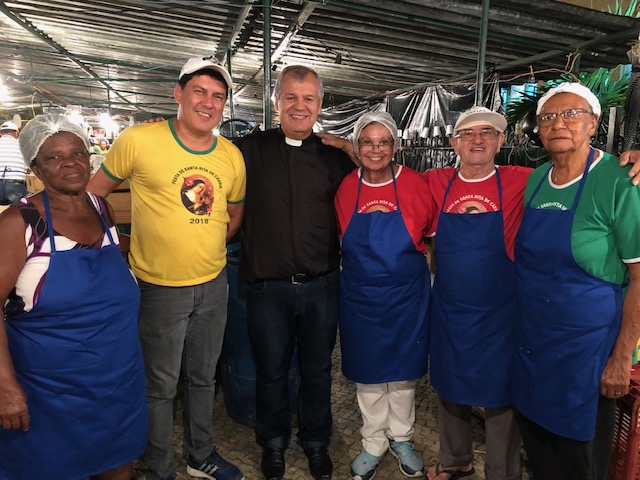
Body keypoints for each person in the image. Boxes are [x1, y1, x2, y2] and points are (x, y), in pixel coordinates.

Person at [87, 56, 246, 480]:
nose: (208, 103)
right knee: (158, 386)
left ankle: (201, 456)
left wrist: (203, 245)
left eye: (218, 96)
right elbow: (92, 195)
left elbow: (234, 215)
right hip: (157, 288)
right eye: (199, 91)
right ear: (178, 93)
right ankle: (158, 467)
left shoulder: (231, 155)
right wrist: (118, 243)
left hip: (213, 283)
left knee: (203, 378)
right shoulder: (139, 140)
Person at [0, 113, 147, 480]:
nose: (70, 162)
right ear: (34, 165)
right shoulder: (20, 224)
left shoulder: (103, 210)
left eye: (78, 153)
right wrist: (4, 385)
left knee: (118, 467)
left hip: (117, 386)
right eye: (53, 156)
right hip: (48, 396)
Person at [512, 82, 640, 480]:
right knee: (536, 441)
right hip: (534, 339)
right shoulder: (536, 180)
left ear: (594, 123)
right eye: (548, 116)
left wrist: (621, 358)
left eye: (572, 114)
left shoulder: (620, 181)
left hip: (587, 348)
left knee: (579, 455)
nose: (558, 123)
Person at [234, 65, 354, 480]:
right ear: (276, 102)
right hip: (267, 288)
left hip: (322, 285)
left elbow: (378, 174)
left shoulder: (337, 157)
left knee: (319, 370)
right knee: (271, 370)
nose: (299, 106)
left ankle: (317, 440)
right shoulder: (247, 150)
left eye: (308, 98)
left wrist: (353, 146)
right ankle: (273, 442)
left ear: (320, 103)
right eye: (291, 97)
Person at [423, 107, 529, 480]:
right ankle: (455, 460)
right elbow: (382, 169)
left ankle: (502, 473)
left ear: (501, 141)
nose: (478, 140)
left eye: (488, 132)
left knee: (502, 394)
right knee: (450, 386)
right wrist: (346, 145)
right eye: (468, 134)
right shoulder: (435, 181)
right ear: (454, 143)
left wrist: (629, 156)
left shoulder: (523, 180)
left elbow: (575, 170)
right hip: (451, 308)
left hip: (501, 312)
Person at [334, 111, 434, 480]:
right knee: (369, 373)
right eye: (367, 142)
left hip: (407, 293)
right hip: (361, 294)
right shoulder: (346, 187)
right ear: (357, 146)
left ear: (395, 146)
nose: (375, 149)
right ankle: (373, 441)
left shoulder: (417, 184)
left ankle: (402, 437)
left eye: (383, 142)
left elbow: (433, 236)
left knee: (404, 373)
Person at [0, 121, 27, 205]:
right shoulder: (22, 145)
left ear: (1, 134)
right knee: (18, 214)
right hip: (16, 186)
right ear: (16, 133)